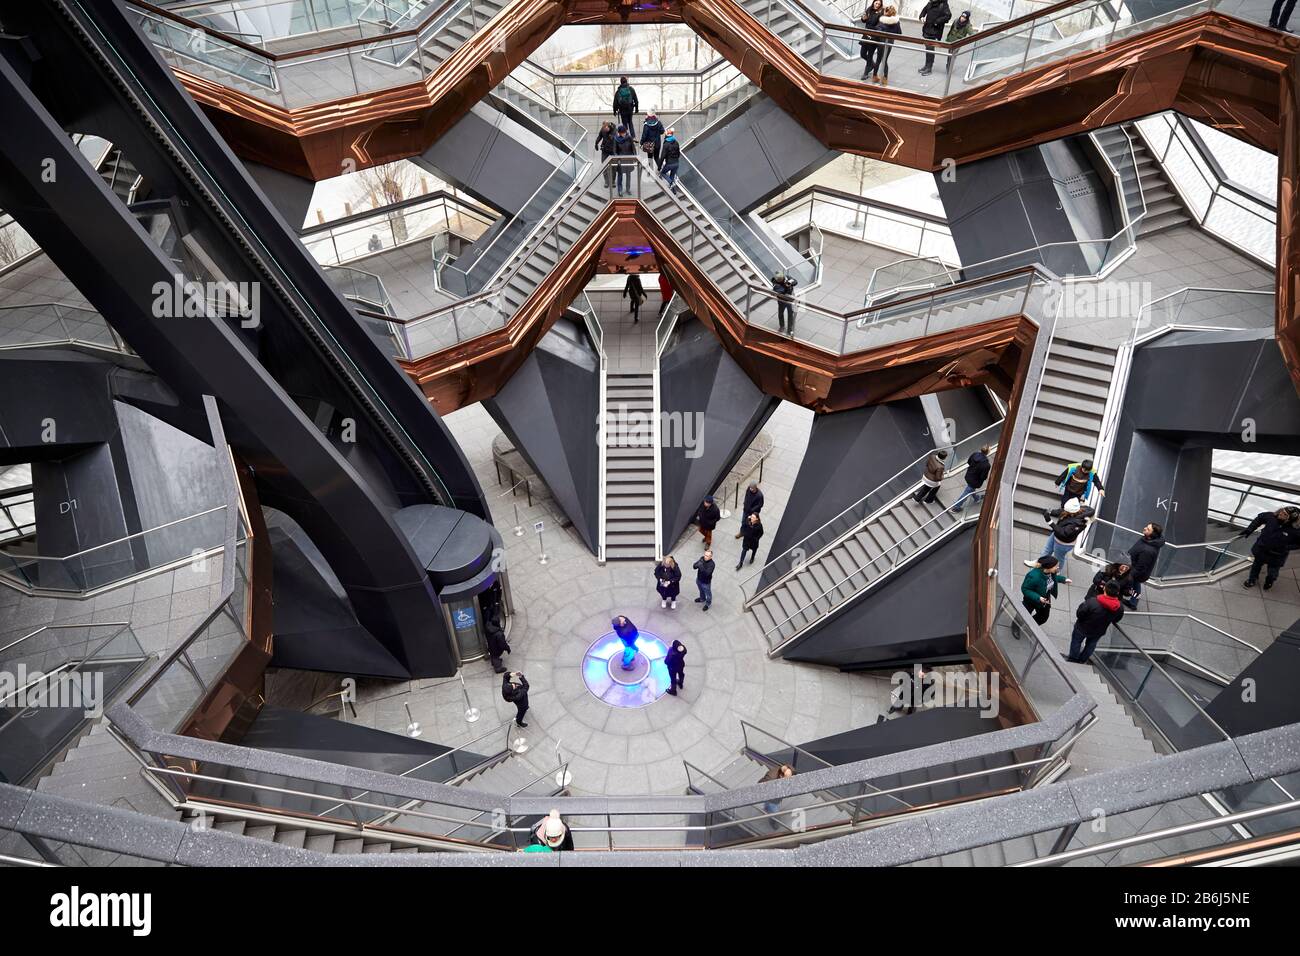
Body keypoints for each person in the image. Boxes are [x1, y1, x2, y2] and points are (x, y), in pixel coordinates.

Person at [1024, 497, 1094, 575]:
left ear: (1071, 512)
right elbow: (1061, 511)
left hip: (1063, 543)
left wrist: (1049, 521)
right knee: (1046, 550)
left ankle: (1056, 571)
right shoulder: (1076, 510)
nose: (1064, 511)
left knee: (1058, 558)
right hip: (1056, 535)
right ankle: (1039, 563)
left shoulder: (1077, 523)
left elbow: (1063, 533)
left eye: (1066, 510)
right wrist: (1049, 511)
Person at [1238, 507, 1300, 590]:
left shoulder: (1296, 531)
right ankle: (1252, 580)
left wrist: (1286, 547)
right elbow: (1259, 518)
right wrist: (1250, 529)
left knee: (1272, 573)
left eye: (1285, 514)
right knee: (1256, 566)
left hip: (1277, 556)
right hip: (1261, 550)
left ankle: (1269, 581)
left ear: (1290, 519)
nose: (1281, 513)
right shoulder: (1271, 517)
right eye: (1282, 511)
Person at [1067, 581, 1125, 663]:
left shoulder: (1092, 602)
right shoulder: (1119, 607)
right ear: (1118, 593)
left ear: (1104, 588)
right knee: (1091, 645)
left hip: (1082, 627)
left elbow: (1080, 613)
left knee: (1076, 641)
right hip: (1099, 631)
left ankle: (1073, 659)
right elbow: (1117, 619)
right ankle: (1082, 660)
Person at [1020, 555, 1068, 626]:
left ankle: (1030, 626)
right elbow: (1025, 589)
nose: (1058, 567)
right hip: (1031, 601)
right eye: (1056, 566)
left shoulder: (1051, 572)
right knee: (1023, 614)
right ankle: (1016, 625)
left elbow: (1053, 579)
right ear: (1048, 567)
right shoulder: (1034, 576)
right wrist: (1038, 598)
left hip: (1044, 599)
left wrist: (1063, 579)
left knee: (1043, 617)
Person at [1125, 522, 1164, 608]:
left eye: (1148, 529)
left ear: (1152, 534)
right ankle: (1133, 602)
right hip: (1139, 571)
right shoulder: (1149, 540)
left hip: (1137, 571)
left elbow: (1140, 567)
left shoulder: (1148, 550)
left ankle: (1132, 601)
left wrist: (1130, 574)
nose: (1145, 528)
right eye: (1146, 526)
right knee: (1136, 585)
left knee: (1134, 584)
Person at [949, 444, 991, 513]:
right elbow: (983, 476)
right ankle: (956, 507)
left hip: (969, 475)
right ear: (987, 452)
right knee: (966, 492)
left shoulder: (975, 454)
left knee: (970, 489)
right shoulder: (986, 464)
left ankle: (977, 498)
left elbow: (969, 462)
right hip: (975, 481)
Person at [918, 0, 952, 75]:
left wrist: (937, 22)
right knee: (928, 48)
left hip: (934, 31)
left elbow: (948, 15)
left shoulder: (943, 4)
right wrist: (921, 17)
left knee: (930, 48)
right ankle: (926, 66)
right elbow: (924, 10)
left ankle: (929, 68)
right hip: (927, 29)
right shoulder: (930, 2)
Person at [871, 6, 902, 85]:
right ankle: (885, 78)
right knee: (884, 60)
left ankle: (875, 76)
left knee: (878, 59)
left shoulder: (882, 21)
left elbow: (877, 30)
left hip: (881, 41)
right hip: (889, 42)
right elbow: (899, 33)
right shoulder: (896, 22)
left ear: (886, 12)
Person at [858, 0, 885, 79]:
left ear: (880, 5)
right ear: (873, 2)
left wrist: (871, 28)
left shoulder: (881, 13)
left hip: (874, 37)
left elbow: (879, 26)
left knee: (870, 55)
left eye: (879, 4)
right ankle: (872, 65)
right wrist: (864, 18)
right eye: (876, 3)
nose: (877, 5)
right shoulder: (869, 9)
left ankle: (865, 73)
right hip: (866, 35)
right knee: (862, 54)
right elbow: (864, 20)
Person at [612, 124, 636, 196]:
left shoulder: (629, 138)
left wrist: (634, 157)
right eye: (622, 133)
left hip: (628, 159)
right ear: (619, 133)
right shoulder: (616, 139)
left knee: (628, 175)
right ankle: (620, 190)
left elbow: (633, 148)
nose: (624, 134)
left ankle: (628, 189)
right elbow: (614, 150)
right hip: (621, 159)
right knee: (620, 175)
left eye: (624, 132)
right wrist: (617, 158)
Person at [596, 121, 617, 191]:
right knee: (604, 166)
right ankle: (606, 181)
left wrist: (612, 136)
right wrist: (596, 143)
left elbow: (615, 139)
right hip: (605, 150)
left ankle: (613, 181)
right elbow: (599, 136)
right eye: (604, 129)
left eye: (606, 129)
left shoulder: (614, 130)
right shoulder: (603, 129)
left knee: (614, 167)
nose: (605, 130)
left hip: (612, 151)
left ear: (609, 127)